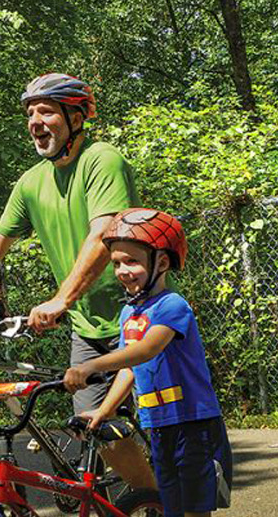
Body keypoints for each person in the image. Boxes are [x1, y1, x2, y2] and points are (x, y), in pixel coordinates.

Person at [0, 72, 157, 493]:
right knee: (95, 426)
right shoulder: (31, 182)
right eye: (29, 113)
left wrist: (62, 299)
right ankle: (143, 497)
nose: (35, 121)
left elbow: (102, 235)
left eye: (46, 111)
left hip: (139, 318)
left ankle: (159, 503)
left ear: (77, 117)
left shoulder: (101, 160)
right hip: (88, 327)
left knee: (167, 425)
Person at [65, 208, 231, 517]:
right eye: (116, 263)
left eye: (132, 261)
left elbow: (147, 351)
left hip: (192, 424)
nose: (123, 271)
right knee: (170, 507)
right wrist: (104, 411)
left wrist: (92, 366)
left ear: (162, 262)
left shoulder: (172, 306)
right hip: (158, 424)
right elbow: (130, 368)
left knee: (195, 509)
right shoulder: (130, 313)